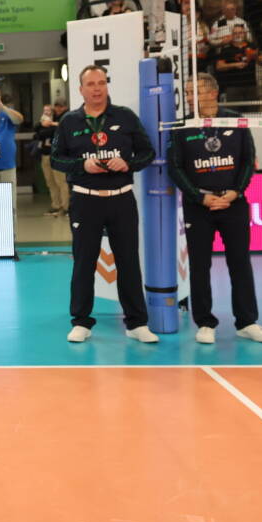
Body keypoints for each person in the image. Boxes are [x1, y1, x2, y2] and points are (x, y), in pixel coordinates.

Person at [50, 65, 157, 344]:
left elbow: (148, 152)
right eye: (91, 84)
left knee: (128, 261)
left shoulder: (125, 117)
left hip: (121, 198)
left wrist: (128, 163)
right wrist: (82, 165)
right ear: (81, 89)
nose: (97, 89)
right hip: (85, 199)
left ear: (107, 86)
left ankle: (136, 323)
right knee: (84, 263)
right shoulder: (69, 121)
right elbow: (56, 159)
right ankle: (81, 321)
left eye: (101, 83)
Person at [168, 76, 262, 345]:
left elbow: (248, 160)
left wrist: (236, 191)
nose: (190, 97)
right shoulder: (182, 126)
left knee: (240, 263)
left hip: (233, 203)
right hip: (199, 207)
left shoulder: (235, 121)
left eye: (195, 92)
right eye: (188, 92)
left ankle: (247, 322)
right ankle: (205, 322)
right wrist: (199, 197)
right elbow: (175, 167)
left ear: (214, 93)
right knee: (199, 265)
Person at [35, 99, 70, 214]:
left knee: (61, 181)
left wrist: (48, 127)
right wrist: (43, 125)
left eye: (61, 106)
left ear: (65, 107)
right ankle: (56, 205)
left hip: (58, 155)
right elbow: (37, 130)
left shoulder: (67, 117)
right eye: (56, 106)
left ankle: (66, 207)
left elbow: (56, 131)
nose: (58, 109)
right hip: (46, 154)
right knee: (50, 182)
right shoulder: (50, 117)